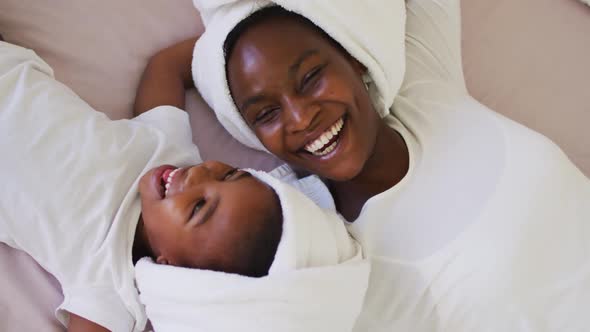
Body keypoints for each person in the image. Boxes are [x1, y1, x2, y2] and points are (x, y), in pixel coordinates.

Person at [141, 0, 590, 330]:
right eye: (265, 113)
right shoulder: (309, 246)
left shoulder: (423, 86)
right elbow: (163, 184)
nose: (301, 119)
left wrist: (239, 20)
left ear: (355, 59)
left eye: (312, 77)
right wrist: (213, 51)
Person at [0, 38, 360, 332]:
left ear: (169, 266)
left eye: (199, 207)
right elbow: (167, 67)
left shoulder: (112, 287)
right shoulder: (168, 150)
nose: (197, 175)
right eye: (231, 174)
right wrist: (233, 41)